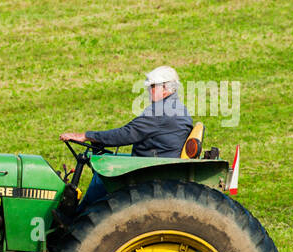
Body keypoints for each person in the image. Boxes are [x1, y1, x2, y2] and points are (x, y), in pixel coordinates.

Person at [60, 66, 194, 208]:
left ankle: (82, 213)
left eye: (153, 87)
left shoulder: (161, 111)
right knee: (107, 160)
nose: (149, 91)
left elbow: (126, 134)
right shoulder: (176, 107)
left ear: (166, 88)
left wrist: (86, 136)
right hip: (156, 161)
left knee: (104, 172)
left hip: (152, 169)